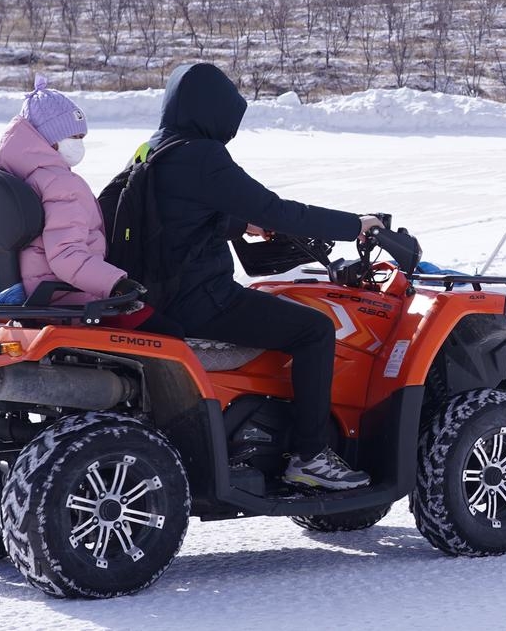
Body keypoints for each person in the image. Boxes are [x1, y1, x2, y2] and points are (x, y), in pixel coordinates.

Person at [135, 62, 380, 491]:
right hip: (201, 299)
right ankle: (309, 455)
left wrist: (236, 224)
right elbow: (278, 210)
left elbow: (173, 216)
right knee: (315, 329)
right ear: (212, 109)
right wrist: (354, 225)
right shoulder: (202, 154)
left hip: (159, 293)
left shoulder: (155, 147)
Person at [0, 76, 147, 318]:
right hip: (63, 296)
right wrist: (115, 284)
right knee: (161, 324)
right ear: (50, 140)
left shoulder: (4, 177)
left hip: (18, 293)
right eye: (74, 137)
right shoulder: (60, 183)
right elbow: (67, 255)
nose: (80, 145)